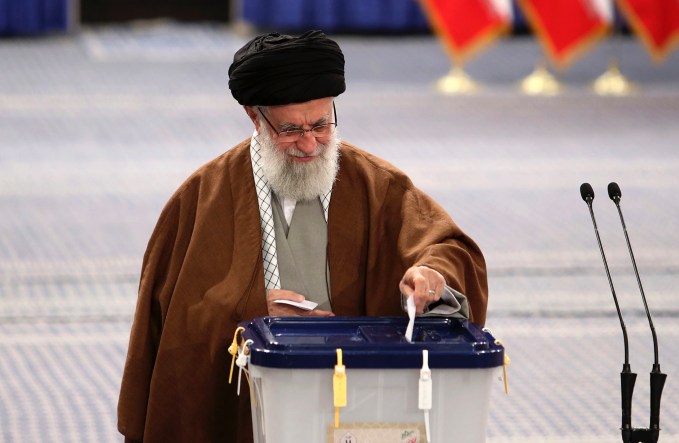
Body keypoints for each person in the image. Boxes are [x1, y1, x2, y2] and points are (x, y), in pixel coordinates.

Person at [117, 30, 488, 442]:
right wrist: (252, 306)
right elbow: (174, 323)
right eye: (291, 129)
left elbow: (448, 248)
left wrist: (430, 272)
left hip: (361, 407)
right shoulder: (201, 198)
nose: (310, 143)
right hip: (249, 411)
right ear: (254, 116)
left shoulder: (377, 185)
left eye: (322, 124)